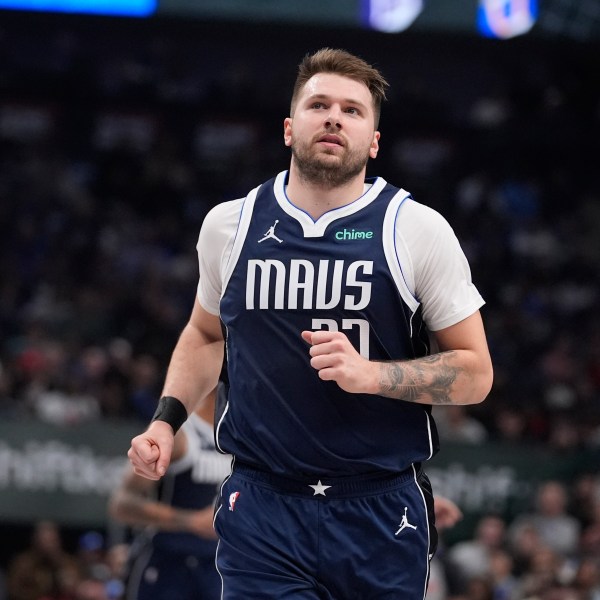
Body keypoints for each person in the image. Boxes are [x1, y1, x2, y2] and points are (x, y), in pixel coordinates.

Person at [128, 47, 493, 598]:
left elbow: (476, 373)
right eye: (319, 104)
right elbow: (206, 335)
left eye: (352, 110)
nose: (333, 117)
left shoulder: (416, 229)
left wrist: (372, 375)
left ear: (373, 140)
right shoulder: (230, 225)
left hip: (379, 506)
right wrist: (166, 420)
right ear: (288, 127)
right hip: (262, 502)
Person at [110, 384, 231, 599]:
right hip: (167, 558)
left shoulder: (239, 436)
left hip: (218, 563)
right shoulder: (179, 434)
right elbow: (122, 503)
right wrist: (190, 520)